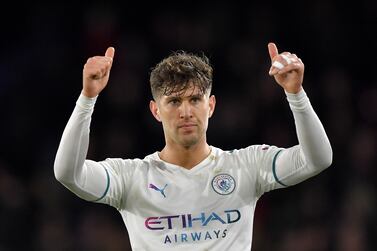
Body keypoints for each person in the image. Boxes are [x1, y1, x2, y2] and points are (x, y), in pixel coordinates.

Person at [54, 42, 332, 250]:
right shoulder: (131, 178)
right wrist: (87, 98)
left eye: (195, 100)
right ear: (156, 111)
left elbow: (317, 159)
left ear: (210, 106)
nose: (186, 112)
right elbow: (68, 173)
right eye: (174, 102)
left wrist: (296, 94)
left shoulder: (245, 166)